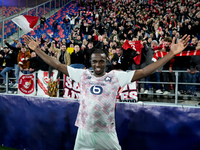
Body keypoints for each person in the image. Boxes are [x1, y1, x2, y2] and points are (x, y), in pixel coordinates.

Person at [24, 34, 190, 150]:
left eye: (101, 61)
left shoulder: (116, 76)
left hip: (107, 132)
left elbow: (145, 71)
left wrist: (171, 53)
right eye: (95, 61)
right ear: (91, 62)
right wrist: (38, 50)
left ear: (106, 62)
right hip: (84, 131)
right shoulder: (82, 74)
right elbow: (57, 65)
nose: (98, 64)